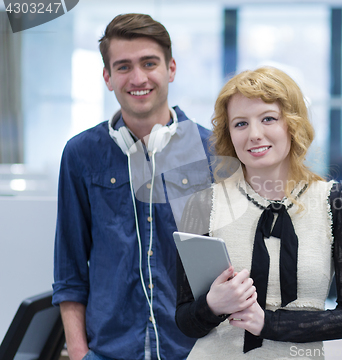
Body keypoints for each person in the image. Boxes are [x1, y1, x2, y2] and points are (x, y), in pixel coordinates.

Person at [175, 67, 342, 359]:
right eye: (240, 124)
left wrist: (269, 323)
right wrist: (212, 305)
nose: (254, 135)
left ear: (292, 124)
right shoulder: (204, 204)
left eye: (268, 119)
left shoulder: (339, 201)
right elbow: (185, 321)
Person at [52, 14, 212, 360]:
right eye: (123, 67)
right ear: (108, 77)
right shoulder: (80, 154)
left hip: (195, 351)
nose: (138, 78)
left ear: (171, 69)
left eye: (149, 63)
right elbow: (69, 269)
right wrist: (80, 354)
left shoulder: (213, 151)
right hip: (108, 352)